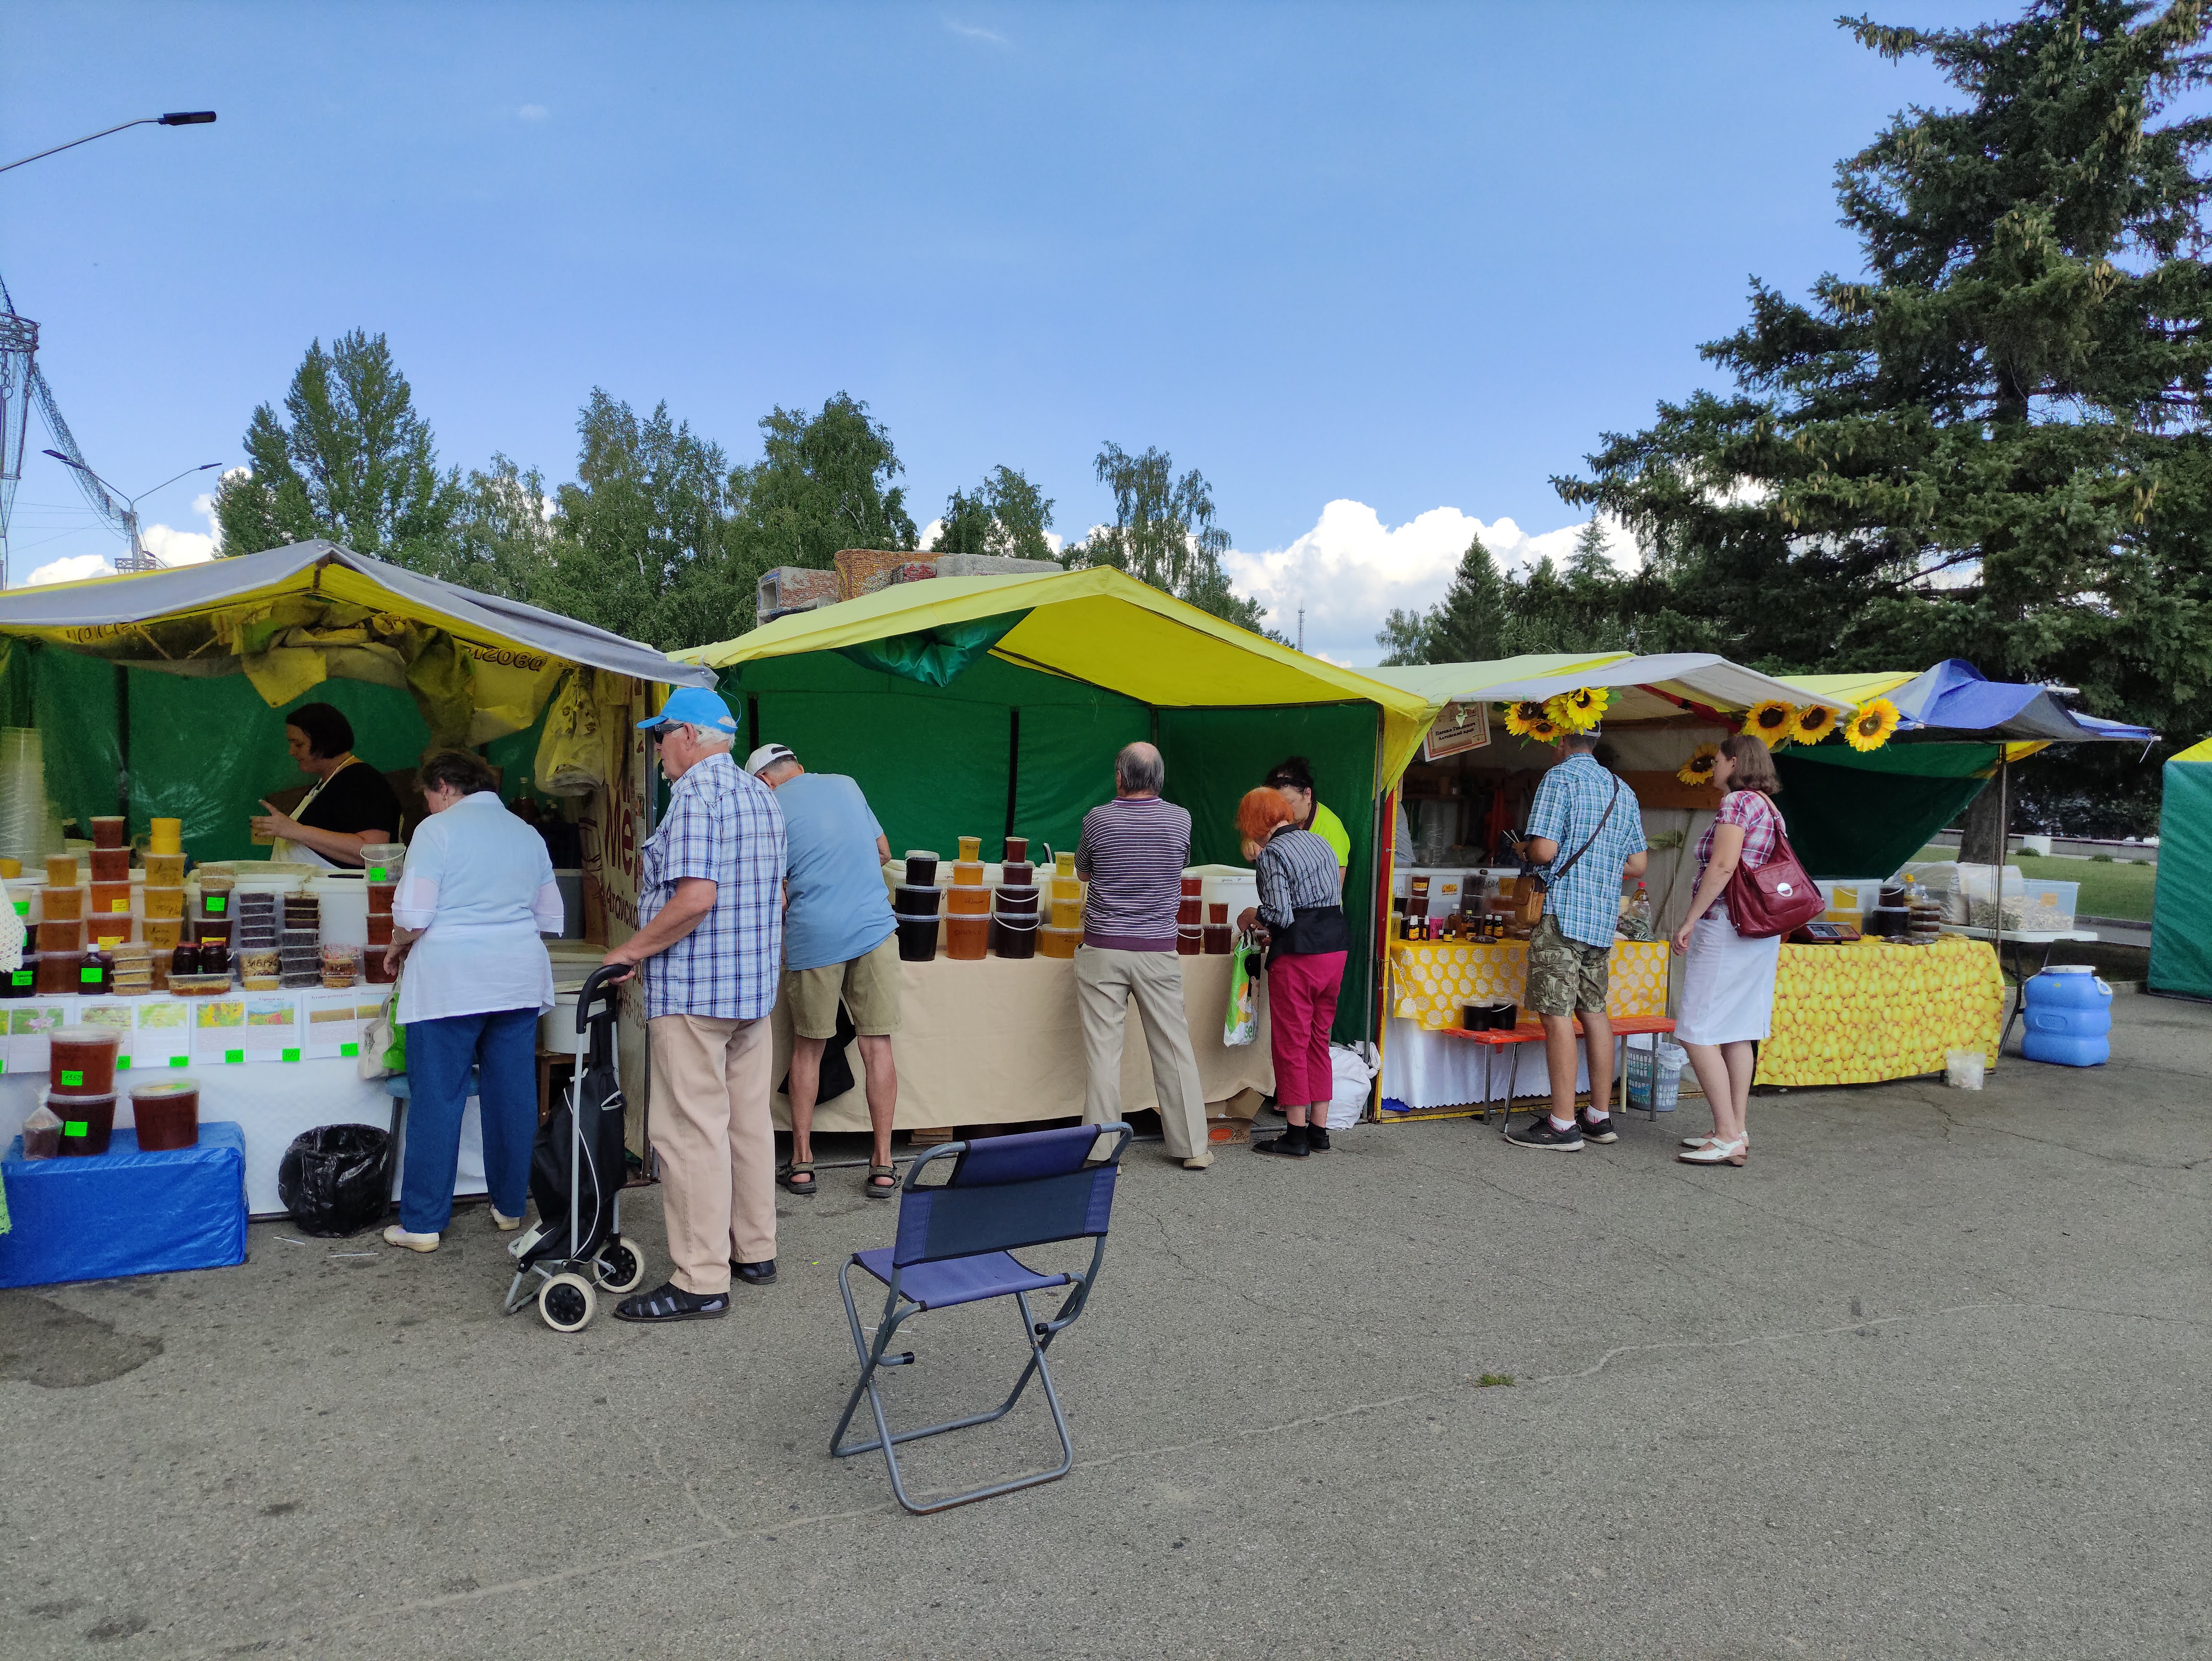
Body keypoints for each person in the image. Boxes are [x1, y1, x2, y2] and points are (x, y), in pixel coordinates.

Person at [600, 688, 787, 1323]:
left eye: (660, 736)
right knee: (746, 1121)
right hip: (750, 992)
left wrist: (630, 950)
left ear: (687, 735)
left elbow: (696, 897)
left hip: (695, 991)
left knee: (688, 1133)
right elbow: (774, 894)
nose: (656, 750)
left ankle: (701, 1279)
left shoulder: (695, 795)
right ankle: (754, 1249)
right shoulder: (760, 794)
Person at [380, 750, 564, 1252]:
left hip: (450, 982)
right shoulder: (527, 834)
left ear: (442, 786)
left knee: (438, 1098)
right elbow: (551, 915)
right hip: (517, 979)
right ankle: (510, 1206)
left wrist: (396, 942)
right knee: (513, 1095)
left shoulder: (436, 831)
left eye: (427, 797)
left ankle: (423, 1223)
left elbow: (414, 915)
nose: (428, 806)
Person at [745, 741, 901, 1200]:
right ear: (798, 766)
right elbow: (883, 852)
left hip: (815, 934)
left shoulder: (768, 809)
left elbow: (772, 892)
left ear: (763, 781)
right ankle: (884, 1163)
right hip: (874, 927)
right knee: (878, 1045)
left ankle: (801, 1163)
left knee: (808, 1049)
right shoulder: (847, 785)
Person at [1505, 725, 1648, 1152]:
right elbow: (1638, 865)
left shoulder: (1560, 778)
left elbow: (1545, 852)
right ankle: (1599, 1117)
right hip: (1601, 919)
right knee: (1595, 1012)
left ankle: (1562, 1123)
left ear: (1562, 741)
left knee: (1556, 1015)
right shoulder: (1622, 789)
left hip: (1563, 914)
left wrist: (1525, 850)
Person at [1073, 741, 1211, 1170]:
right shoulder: (1181, 819)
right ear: (1160, 779)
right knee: (1174, 1047)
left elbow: (1083, 872)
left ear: (1119, 777)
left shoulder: (1098, 819)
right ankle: (1192, 1148)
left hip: (1103, 947)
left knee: (1103, 1053)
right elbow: (1180, 865)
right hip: (1157, 949)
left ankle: (1101, 1152)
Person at [1669, 734, 1786, 1168]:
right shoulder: (1769, 807)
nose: (1713, 768)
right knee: (1738, 1029)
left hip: (1726, 923)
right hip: (1759, 929)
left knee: (1695, 1030)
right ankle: (1737, 1129)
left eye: (1717, 760)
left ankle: (1726, 1135)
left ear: (1735, 762)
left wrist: (1690, 918)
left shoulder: (1736, 803)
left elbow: (1722, 866)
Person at [1237, 788, 1351, 1159]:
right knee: (1319, 1038)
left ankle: (1296, 1135)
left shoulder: (1274, 854)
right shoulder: (1320, 843)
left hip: (1300, 956)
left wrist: (1250, 916)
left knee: (1292, 1042)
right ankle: (1319, 1131)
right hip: (1336, 948)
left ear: (1254, 823)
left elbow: (1280, 916)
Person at [248, 702, 403, 868]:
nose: (291, 752)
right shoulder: (325, 783)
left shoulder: (363, 781)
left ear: (325, 741)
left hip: (345, 886)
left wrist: (297, 831)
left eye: (298, 744)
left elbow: (375, 853)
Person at [1263, 756, 1351, 877]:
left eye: (1289, 803)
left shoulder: (1331, 831)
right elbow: (1253, 839)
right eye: (1276, 805)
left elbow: (1335, 886)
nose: (1282, 811)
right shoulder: (1275, 813)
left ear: (1307, 795)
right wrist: (1250, 844)